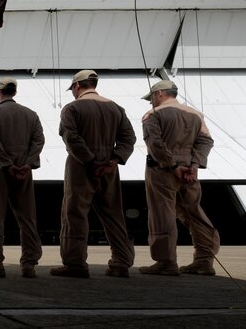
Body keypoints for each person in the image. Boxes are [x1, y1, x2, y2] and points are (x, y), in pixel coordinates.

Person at [53, 70, 136, 278]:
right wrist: (113, 161)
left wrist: (90, 160)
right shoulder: (116, 108)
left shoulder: (72, 108)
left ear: (77, 86)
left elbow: (70, 137)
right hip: (109, 168)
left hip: (81, 167)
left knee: (75, 214)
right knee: (114, 214)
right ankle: (121, 262)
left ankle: (75, 264)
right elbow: (129, 138)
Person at [138, 80, 219, 276]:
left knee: (162, 214)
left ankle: (166, 262)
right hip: (189, 171)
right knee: (194, 212)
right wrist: (193, 165)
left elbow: (155, 143)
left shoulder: (153, 115)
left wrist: (173, 166)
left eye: (152, 99)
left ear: (160, 94)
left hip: (163, 169)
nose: (151, 103)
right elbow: (206, 140)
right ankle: (204, 260)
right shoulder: (195, 114)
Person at [0, 78, 45, 278]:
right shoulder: (31, 115)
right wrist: (27, 164)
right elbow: (39, 140)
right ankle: (29, 264)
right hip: (24, 170)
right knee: (27, 218)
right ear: (14, 92)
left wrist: (7, 165)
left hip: (0, 170)